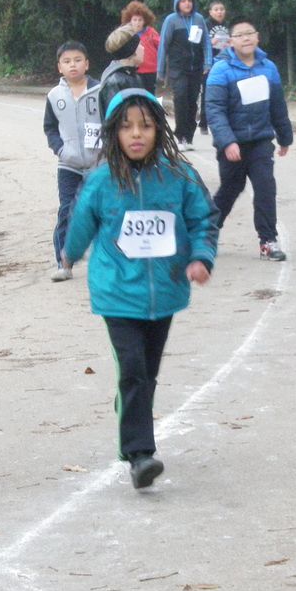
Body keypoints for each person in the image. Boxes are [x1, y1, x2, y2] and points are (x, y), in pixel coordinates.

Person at [62, 88, 219, 489]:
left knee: (145, 375)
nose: (137, 135)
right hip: (116, 292)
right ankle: (140, 455)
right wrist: (70, 252)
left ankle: (128, 413)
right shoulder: (100, 182)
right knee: (132, 370)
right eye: (128, 127)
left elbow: (204, 219)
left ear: (158, 131)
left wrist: (201, 257)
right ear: (114, 133)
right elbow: (82, 221)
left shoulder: (180, 176)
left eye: (146, 126)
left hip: (164, 293)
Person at [205, 18, 294, 262]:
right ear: (231, 42)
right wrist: (227, 142)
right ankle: (205, 233)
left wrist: (284, 136)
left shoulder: (268, 68)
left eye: (249, 33)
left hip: (260, 141)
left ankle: (268, 240)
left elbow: (277, 105)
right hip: (232, 143)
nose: (245, 38)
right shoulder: (221, 70)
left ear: (257, 38)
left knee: (266, 186)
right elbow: (214, 110)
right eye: (240, 35)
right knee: (230, 190)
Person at [43, 41, 102, 282]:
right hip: (69, 166)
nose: (73, 65)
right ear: (59, 67)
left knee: (102, 210)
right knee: (67, 211)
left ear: (87, 63)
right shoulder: (55, 95)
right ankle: (64, 262)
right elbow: (50, 128)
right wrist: (60, 150)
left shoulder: (101, 90)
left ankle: (102, 258)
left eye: (78, 60)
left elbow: (113, 121)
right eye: (67, 62)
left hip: (99, 164)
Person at [156, 0, 212, 151]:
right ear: (178, 4)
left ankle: (189, 136)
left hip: (196, 68)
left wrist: (208, 63)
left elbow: (206, 43)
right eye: (183, 1)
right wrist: (160, 70)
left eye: (189, 0)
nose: (187, 3)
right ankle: (180, 137)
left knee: (192, 102)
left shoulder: (199, 19)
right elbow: (163, 45)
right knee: (180, 99)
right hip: (177, 68)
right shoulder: (171, 20)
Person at [198, 0, 230, 135]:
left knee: (227, 93)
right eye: (216, 9)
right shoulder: (204, 24)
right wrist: (209, 42)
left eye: (222, 9)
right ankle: (204, 123)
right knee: (208, 93)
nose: (219, 12)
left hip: (226, 63)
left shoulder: (228, 26)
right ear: (210, 12)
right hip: (209, 64)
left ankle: (224, 121)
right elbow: (196, 43)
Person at [100, 23, 146, 115]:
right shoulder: (115, 82)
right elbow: (118, 119)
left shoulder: (131, 75)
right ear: (132, 51)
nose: (144, 48)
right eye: (140, 44)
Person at [120, 0, 161, 94]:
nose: (137, 23)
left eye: (140, 20)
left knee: (149, 96)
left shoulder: (151, 32)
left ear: (145, 21)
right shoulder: (125, 34)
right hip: (133, 70)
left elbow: (160, 47)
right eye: (134, 20)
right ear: (129, 20)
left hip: (150, 71)